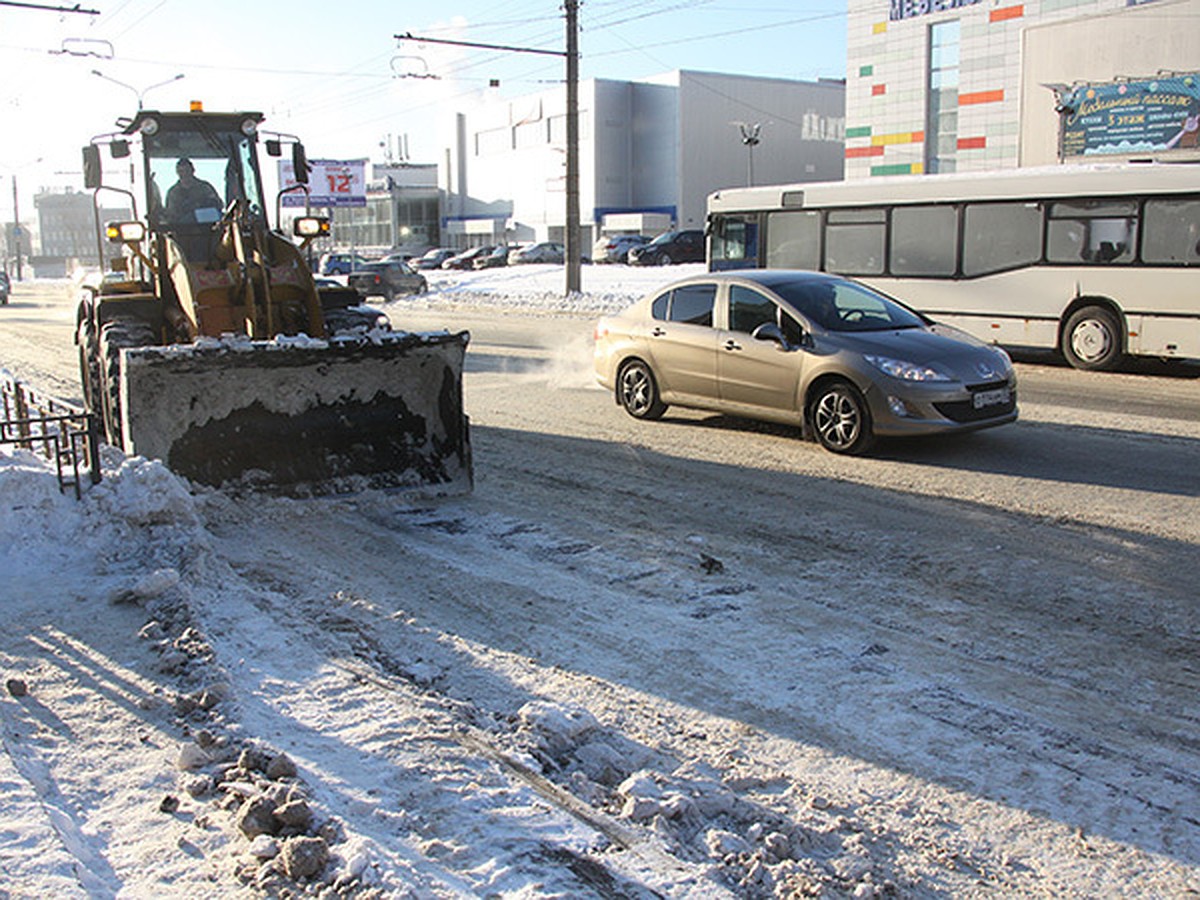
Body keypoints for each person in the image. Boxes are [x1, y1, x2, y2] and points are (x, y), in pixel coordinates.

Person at [164, 158, 222, 226]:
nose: (184, 174)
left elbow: (218, 205)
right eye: (181, 171)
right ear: (177, 173)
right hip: (181, 231)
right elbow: (170, 215)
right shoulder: (173, 193)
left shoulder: (205, 188)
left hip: (208, 229)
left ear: (193, 171)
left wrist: (200, 206)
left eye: (187, 171)